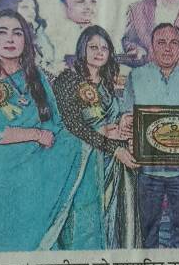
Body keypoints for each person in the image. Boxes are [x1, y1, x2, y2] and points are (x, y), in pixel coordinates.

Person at [0, 9, 104, 252]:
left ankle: (79, 248)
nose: (10, 39)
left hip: (38, 165)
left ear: (26, 40)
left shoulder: (34, 74)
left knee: (83, 145)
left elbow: (56, 122)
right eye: (2, 32)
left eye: (17, 33)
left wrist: (98, 132)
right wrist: (34, 134)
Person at [53, 25, 141, 249]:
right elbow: (72, 126)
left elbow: (110, 117)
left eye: (104, 48)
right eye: (93, 47)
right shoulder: (68, 80)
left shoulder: (106, 82)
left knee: (113, 218)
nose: (99, 52)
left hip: (113, 163)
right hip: (83, 164)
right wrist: (112, 146)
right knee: (83, 220)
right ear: (82, 49)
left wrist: (123, 120)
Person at [122, 23, 179, 248]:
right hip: (147, 170)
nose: (168, 48)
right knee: (146, 230)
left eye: (174, 43)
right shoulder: (135, 77)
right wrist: (128, 131)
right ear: (152, 46)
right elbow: (126, 115)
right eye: (161, 42)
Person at [0, 0, 56, 74]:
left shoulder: (37, 31)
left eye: (33, 8)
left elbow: (48, 58)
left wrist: (38, 32)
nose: (32, 12)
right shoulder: (0, 35)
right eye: (25, 7)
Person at [57, 0, 98, 68]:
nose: (89, 7)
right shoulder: (58, 36)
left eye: (93, 1)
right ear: (64, 6)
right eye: (80, 2)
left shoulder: (100, 33)